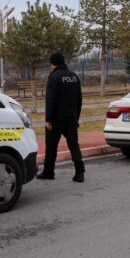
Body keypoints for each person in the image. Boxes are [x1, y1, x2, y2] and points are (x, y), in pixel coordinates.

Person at [36, 52, 85, 183]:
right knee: (74, 145)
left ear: (54, 63)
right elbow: (79, 100)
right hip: (71, 118)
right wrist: (76, 117)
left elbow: (51, 100)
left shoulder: (54, 77)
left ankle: (48, 171)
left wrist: (48, 120)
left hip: (57, 119)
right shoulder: (74, 77)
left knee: (51, 146)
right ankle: (80, 172)